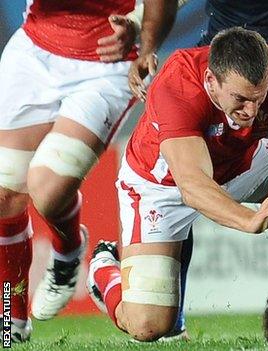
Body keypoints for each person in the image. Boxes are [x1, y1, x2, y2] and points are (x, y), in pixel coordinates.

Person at [87, 27, 268, 342]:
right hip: (161, 190)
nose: (252, 111)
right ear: (211, 81)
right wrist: (249, 220)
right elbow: (193, 186)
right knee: (147, 326)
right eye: (241, 99)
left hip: (245, 164)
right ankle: (104, 271)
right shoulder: (178, 82)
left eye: (260, 97)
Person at [0, 0, 178, 342]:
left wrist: (145, 40)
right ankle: (12, 323)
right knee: (5, 192)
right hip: (34, 53)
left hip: (105, 64)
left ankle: (68, 251)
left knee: (47, 190)